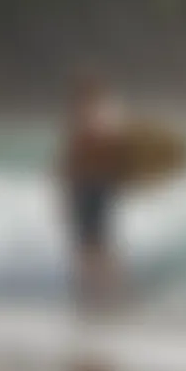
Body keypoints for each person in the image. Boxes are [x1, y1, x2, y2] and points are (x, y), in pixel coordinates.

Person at [59, 74, 126, 310]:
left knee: (92, 245)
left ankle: (99, 296)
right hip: (91, 187)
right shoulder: (104, 117)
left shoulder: (90, 118)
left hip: (91, 188)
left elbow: (70, 160)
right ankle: (99, 296)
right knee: (94, 244)